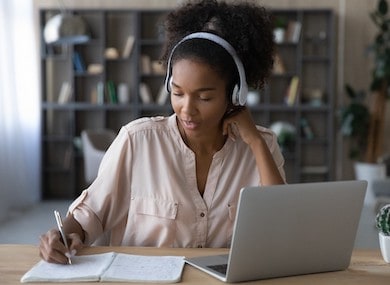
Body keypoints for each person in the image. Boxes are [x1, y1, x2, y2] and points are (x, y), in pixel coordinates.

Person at [39, 0, 286, 264]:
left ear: (235, 95)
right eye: (178, 93)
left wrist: (255, 143)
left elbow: (280, 225)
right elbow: (90, 214)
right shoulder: (137, 141)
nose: (187, 110)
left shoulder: (262, 145)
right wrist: (62, 236)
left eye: (204, 97)